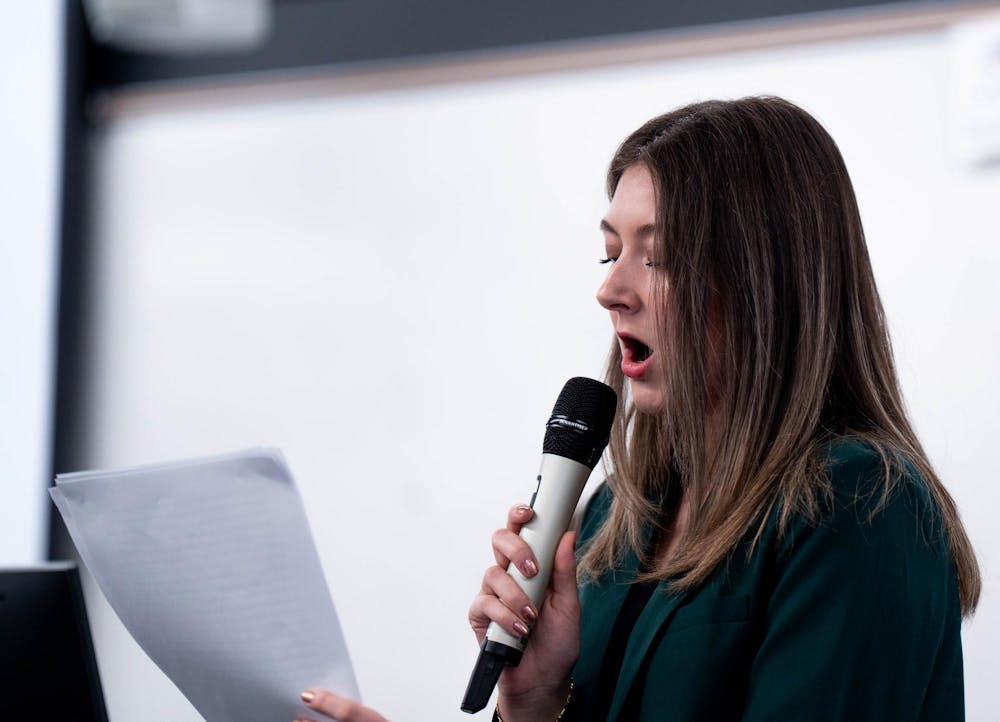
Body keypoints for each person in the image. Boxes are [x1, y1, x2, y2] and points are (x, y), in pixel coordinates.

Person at [293, 96, 980, 722]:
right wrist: (536, 703)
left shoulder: (861, 505)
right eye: (610, 254)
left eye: (660, 256)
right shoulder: (612, 520)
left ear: (768, 282)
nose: (612, 290)